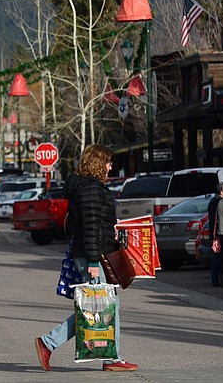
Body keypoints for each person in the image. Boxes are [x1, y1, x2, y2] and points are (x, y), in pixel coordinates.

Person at [34, 144, 138, 373]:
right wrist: (92, 262)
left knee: (100, 306)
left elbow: (93, 223)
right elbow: (90, 227)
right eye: (108, 162)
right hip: (93, 256)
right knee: (100, 306)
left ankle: (51, 344)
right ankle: (51, 343)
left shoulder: (88, 187)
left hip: (94, 253)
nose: (111, 166)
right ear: (98, 163)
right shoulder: (90, 189)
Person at [206, 183, 223, 288]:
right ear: (221, 192)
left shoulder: (215, 201)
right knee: (217, 257)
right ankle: (216, 280)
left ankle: (217, 279)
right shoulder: (217, 202)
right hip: (217, 233)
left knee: (217, 257)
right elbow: (214, 219)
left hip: (216, 232)